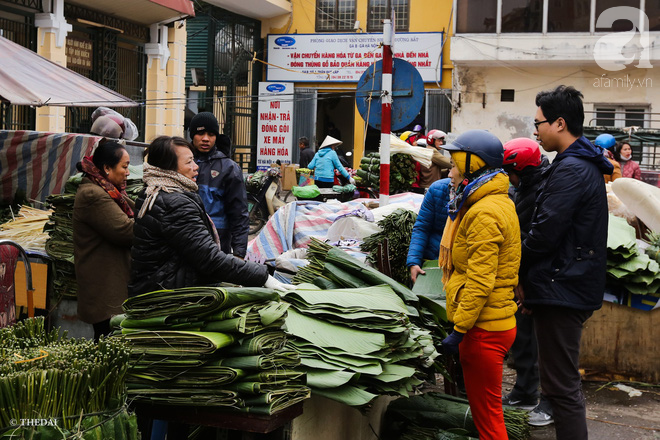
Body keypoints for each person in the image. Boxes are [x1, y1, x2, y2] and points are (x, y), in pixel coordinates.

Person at [520, 85, 613, 439]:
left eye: (538, 122)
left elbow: (544, 233)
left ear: (559, 123)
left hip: (564, 285)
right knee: (559, 383)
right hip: (565, 283)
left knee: (561, 388)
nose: (535, 130)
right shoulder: (576, 164)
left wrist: (519, 269)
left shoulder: (572, 169)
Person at [128, 136, 291, 297]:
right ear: (168, 168)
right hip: (169, 296)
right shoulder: (174, 203)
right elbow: (209, 259)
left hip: (158, 287)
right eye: (189, 162)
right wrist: (262, 276)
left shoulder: (154, 192)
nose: (195, 167)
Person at [439, 129, 520, 440]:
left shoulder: (485, 210)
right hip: (493, 321)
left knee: (489, 421)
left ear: (474, 165)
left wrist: (459, 329)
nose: (451, 170)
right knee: (488, 412)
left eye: (455, 163)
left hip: (483, 329)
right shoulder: (493, 199)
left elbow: (480, 280)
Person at [501, 138, 554, 424]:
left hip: (539, 277)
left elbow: (538, 240)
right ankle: (524, 390)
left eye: (510, 172)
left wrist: (527, 282)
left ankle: (549, 401)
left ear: (522, 170)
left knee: (547, 344)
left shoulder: (544, 190)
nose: (508, 179)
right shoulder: (523, 187)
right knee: (523, 337)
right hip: (522, 273)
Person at [73, 142, 134, 341]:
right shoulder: (93, 194)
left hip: (110, 284)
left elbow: (138, 211)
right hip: (105, 288)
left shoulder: (110, 191)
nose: (127, 173)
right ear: (107, 168)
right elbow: (126, 230)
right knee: (108, 342)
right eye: (124, 167)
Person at [189, 112, 249, 259]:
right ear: (192, 135)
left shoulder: (228, 168)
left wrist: (239, 253)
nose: (205, 139)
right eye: (200, 133)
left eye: (211, 134)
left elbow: (239, 213)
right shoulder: (180, 161)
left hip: (218, 245)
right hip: (186, 239)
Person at [406, 177, 451, 282]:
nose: (450, 173)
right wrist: (414, 262)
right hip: (432, 259)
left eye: (454, 167)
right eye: (451, 166)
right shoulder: (437, 189)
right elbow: (422, 227)